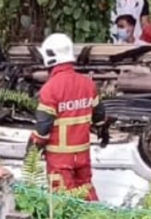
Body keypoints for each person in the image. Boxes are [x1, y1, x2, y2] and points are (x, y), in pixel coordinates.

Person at [32, 33, 105, 200]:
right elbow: (99, 114)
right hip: (82, 154)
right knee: (86, 193)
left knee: (63, 203)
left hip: (60, 158)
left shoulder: (50, 89)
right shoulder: (87, 83)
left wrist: (34, 147)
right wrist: (102, 128)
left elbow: (43, 128)